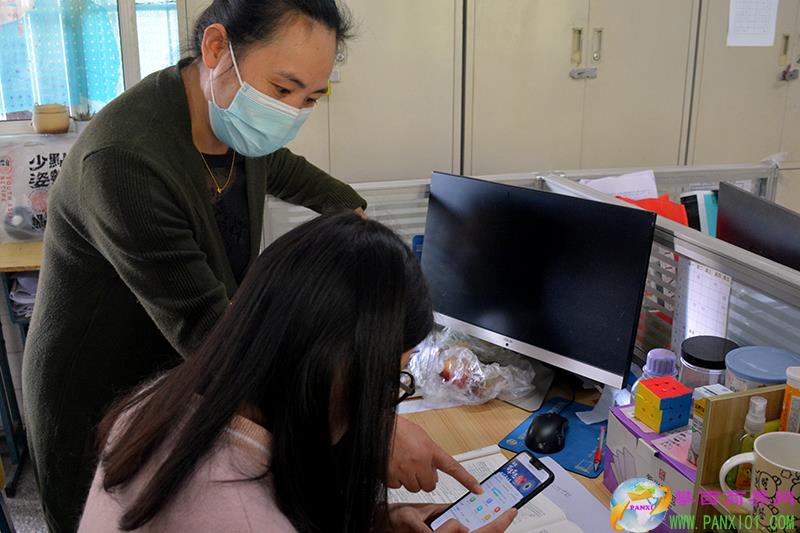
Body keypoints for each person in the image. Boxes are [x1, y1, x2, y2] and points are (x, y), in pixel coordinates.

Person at [22, 1, 477, 531]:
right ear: (217, 48)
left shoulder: (234, 122)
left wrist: (352, 222)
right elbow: (208, 329)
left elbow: (284, 168)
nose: (291, 113)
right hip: (110, 389)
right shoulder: (125, 161)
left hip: (193, 379)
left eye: (311, 98)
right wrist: (371, 425)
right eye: (283, 90)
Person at [78, 212, 517, 533]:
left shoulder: (157, 404)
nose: (383, 407)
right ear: (328, 369)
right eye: (387, 383)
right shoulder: (240, 516)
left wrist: (375, 524)